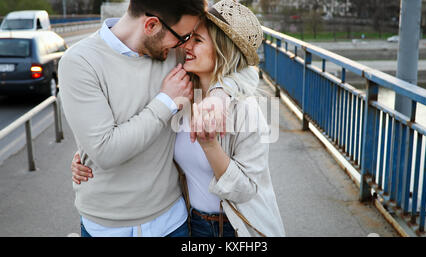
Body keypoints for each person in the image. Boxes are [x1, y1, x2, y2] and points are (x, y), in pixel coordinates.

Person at [72, 0, 285, 237]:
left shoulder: (245, 109)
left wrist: (219, 100)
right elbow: (128, 126)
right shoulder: (181, 90)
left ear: (223, 52)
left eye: (197, 40)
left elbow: (246, 71)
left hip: (232, 227)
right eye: (186, 37)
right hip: (191, 222)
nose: (184, 46)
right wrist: (92, 150)